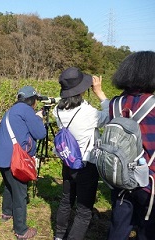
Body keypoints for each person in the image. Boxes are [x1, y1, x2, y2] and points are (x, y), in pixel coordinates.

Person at [52, 67, 109, 240]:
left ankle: (59, 236)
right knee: (84, 212)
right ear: (82, 90)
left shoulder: (57, 111)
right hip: (86, 166)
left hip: (68, 161)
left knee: (66, 201)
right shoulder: (89, 113)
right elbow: (110, 115)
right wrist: (99, 92)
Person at [107, 51, 155, 240]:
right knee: (147, 231)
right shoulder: (152, 105)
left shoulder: (115, 103)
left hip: (120, 176)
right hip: (148, 180)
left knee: (119, 227)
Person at [0, 86, 46, 239]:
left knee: (9, 184)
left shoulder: (11, 110)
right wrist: (39, 118)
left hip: (1, 157)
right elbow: (40, 133)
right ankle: (21, 230)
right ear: (32, 100)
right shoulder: (27, 110)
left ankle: (7, 213)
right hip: (15, 158)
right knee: (20, 192)